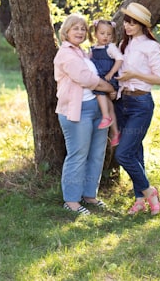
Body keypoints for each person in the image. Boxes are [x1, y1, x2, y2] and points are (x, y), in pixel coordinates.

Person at [53, 12, 118, 216]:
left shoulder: (82, 52)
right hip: (76, 111)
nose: (80, 32)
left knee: (97, 154)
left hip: (98, 109)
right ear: (66, 32)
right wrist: (109, 88)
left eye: (82, 28)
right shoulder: (65, 54)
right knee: (78, 155)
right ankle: (71, 201)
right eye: (75, 28)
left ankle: (90, 195)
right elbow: (86, 79)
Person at [114, 1, 160, 215]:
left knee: (123, 154)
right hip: (121, 102)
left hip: (140, 104)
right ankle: (139, 200)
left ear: (142, 25)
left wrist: (134, 75)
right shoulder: (123, 45)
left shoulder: (151, 46)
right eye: (126, 22)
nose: (127, 26)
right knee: (135, 151)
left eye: (132, 23)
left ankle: (149, 191)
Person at [89, 19, 123, 147]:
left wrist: (111, 73)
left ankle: (105, 117)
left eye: (109, 34)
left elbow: (120, 59)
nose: (105, 36)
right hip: (101, 79)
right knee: (110, 106)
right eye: (102, 33)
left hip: (108, 79)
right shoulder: (93, 48)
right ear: (95, 34)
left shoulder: (111, 47)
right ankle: (115, 133)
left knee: (99, 93)